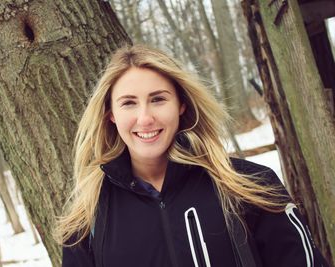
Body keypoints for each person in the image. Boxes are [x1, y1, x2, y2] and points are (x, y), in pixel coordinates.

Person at [54, 44, 328, 267]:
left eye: (158, 99)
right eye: (128, 103)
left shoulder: (250, 185)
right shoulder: (87, 219)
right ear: (111, 115)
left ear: (181, 104)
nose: (145, 118)